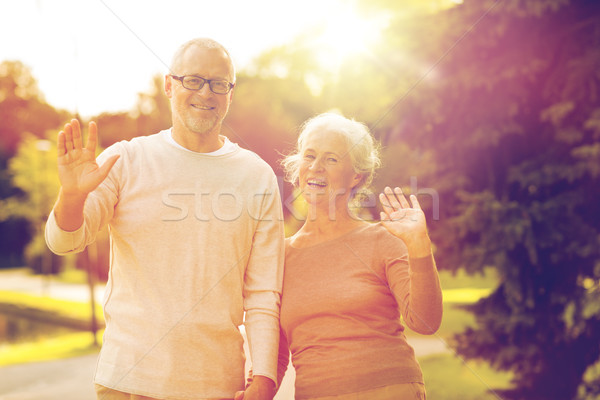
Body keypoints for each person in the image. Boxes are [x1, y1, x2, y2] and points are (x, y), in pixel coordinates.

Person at [45, 38, 284, 400]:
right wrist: (73, 195)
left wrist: (264, 379)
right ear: (169, 85)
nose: (206, 92)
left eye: (219, 83)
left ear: (229, 95)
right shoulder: (125, 160)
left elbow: (264, 292)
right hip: (128, 382)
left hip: (219, 384)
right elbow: (64, 241)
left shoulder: (257, 176)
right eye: (194, 79)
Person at [275, 112, 443, 399]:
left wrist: (418, 246)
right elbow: (276, 353)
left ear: (356, 176)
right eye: (309, 156)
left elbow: (425, 322)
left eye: (331, 159)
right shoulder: (280, 256)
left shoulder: (382, 240)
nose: (316, 167)